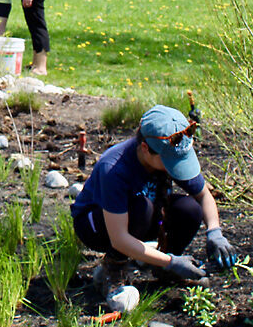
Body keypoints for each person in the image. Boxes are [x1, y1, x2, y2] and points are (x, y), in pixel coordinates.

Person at [70, 105, 236, 305]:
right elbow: (119, 238)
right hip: (96, 225)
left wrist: (214, 232)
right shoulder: (114, 168)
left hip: (142, 215)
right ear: (145, 148)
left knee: (190, 209)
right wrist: (172, 262)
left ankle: (163, 268)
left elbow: (203, 196)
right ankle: (113, 269)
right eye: (170, 161)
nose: (175, 166)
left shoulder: (171, 150)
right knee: (141, 208)